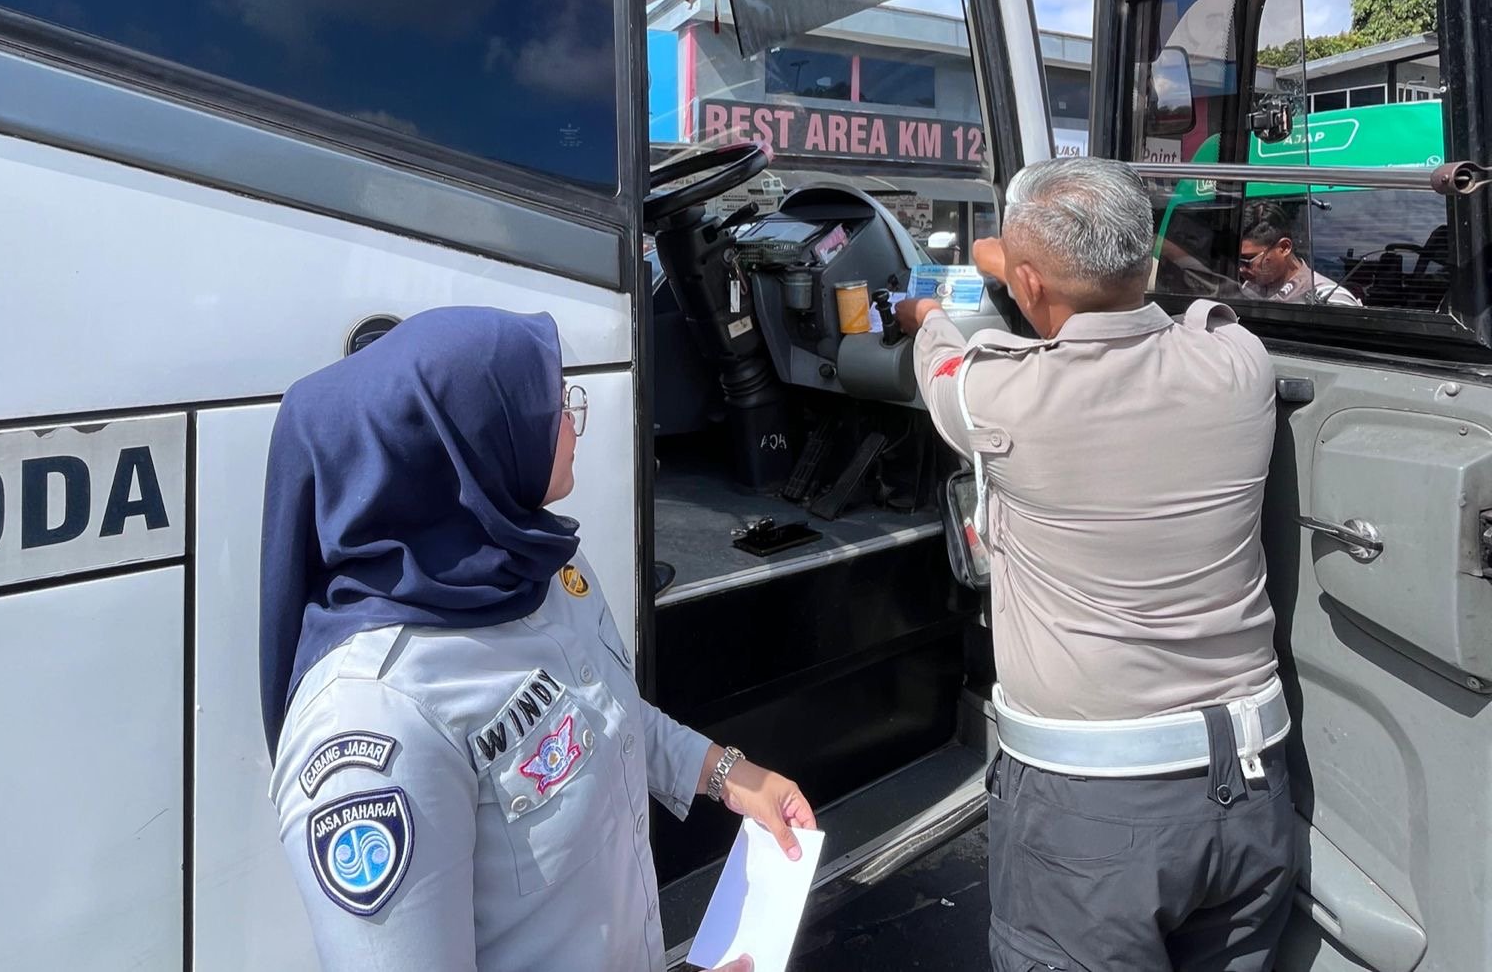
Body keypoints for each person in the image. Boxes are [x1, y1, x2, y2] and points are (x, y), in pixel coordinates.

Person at [260, 307, 814, 972]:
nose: (574, 421)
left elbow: (601, 710)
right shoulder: (374, 718)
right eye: (552, 408)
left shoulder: (535, 568)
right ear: (471, 444)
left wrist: (727, 774)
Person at [896, 158, 1294, 972]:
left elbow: (941, 365)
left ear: (1028, 285)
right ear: (1143, 259)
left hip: (1092, 814)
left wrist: (928, 311)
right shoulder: (1239, 360)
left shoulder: (1000, 396)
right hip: (1253, 788)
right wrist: (1025, 261)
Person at [1238, 205, 1360, 305]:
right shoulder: (1247, 290)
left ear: (1284, 248)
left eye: (1248, 260)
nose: (1241, 269)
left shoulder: (1329, 299)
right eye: (1237, 260)